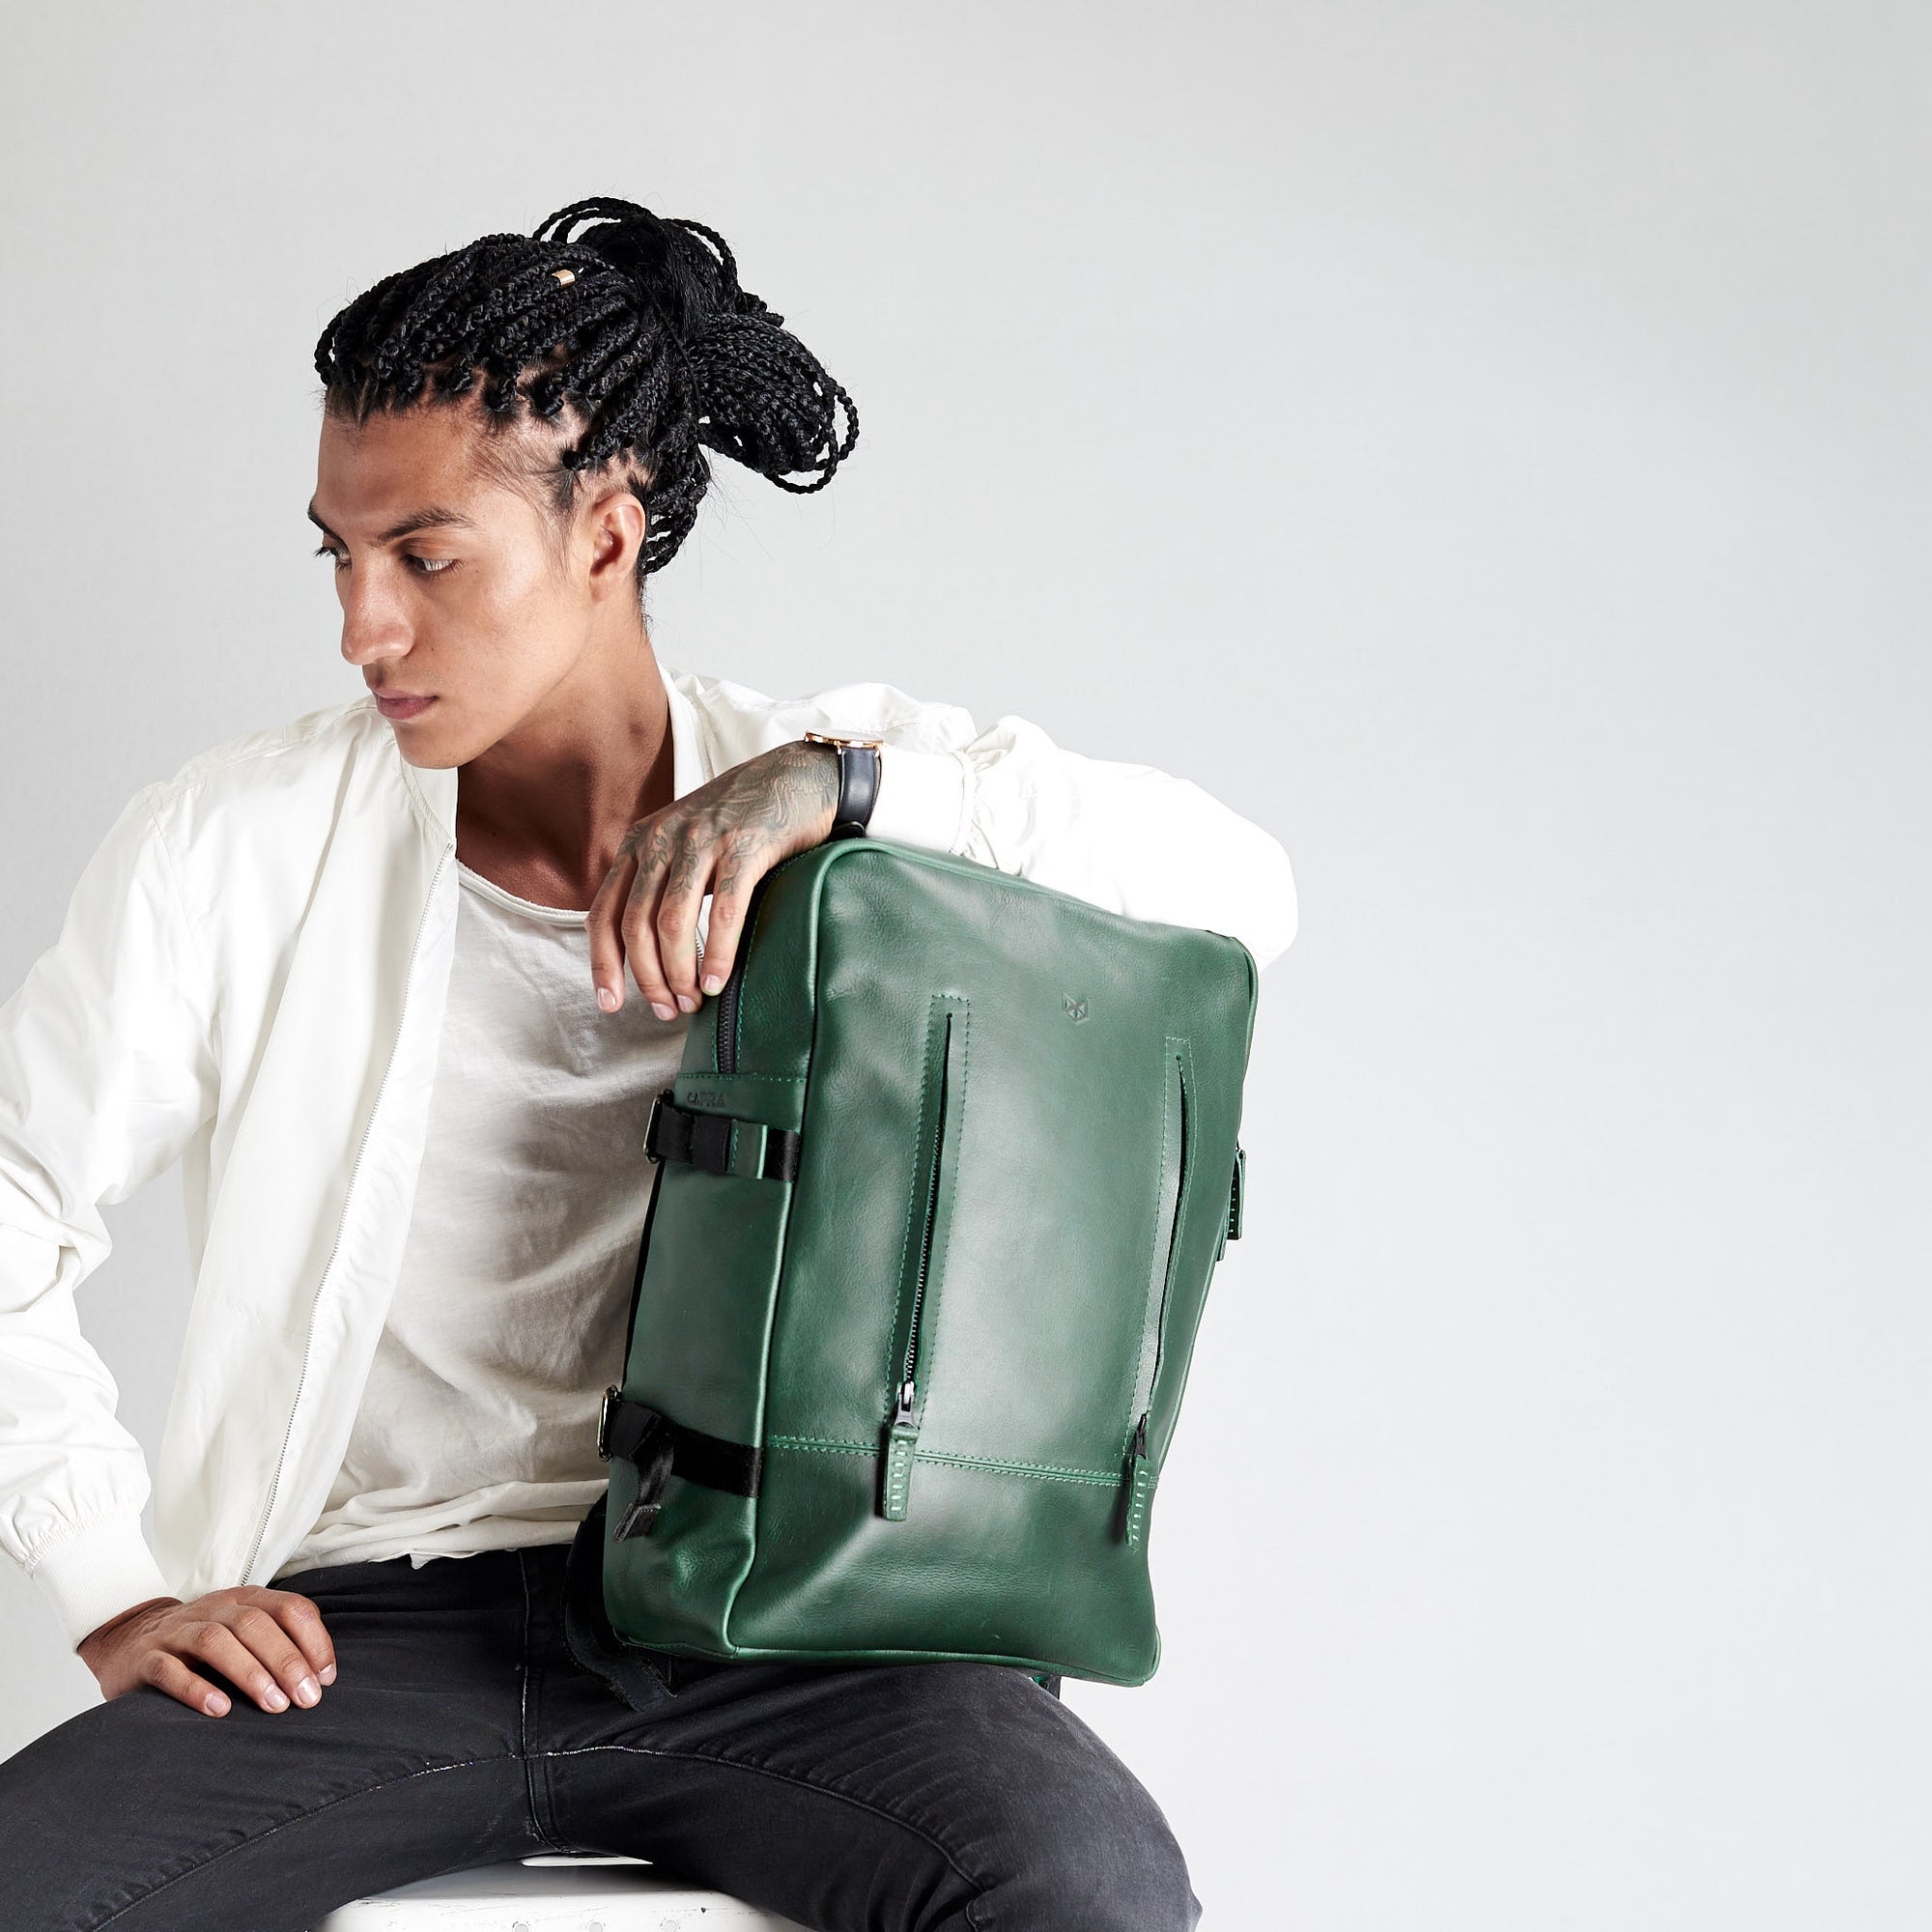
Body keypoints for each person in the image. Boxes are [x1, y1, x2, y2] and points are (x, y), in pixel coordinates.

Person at [0, 196, 1296, 1930]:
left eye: (428, 559)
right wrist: (108, 1581)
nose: (361, 628)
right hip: (361, 1631)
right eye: (338, 554)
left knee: (1081, 1886)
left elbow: (1241, 888)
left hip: (782, 1631)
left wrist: (838, 789)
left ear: (606, 535)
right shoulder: (233, 845)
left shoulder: (825, 795)